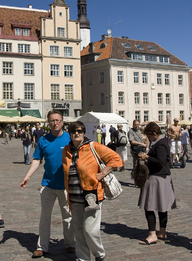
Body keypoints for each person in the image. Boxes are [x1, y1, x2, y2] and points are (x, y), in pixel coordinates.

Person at [62, 121, 121, 261]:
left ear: (84, 133)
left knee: (90, 230)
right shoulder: (66, 150)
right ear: (69, 133)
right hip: (74, 196)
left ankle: (99, 254)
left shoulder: (93, 146)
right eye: (74, 131)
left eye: (80, 131)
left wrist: (102, 173)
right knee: (79, 231)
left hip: (91, 196)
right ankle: (82, 258)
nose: (77, 133)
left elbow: (116, 159)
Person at [20, 110, 75, 258]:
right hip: (48, 184)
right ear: (48, 123)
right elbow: (37, 159)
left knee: (68, 216)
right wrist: (27, 176)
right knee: (45, 216)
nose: (55, 123)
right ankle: (42, 246)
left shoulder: (70, 138)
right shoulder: (43, 140)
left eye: (58, 120)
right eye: (52, 120)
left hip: (66, 185)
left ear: (62, 122)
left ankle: (70, 243)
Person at [137, 122, 176, 245]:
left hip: (157, 178)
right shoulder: (161, 143)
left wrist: (146, 158)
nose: (148, 138)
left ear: (154, 134)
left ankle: (152, 234)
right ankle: (162, 232)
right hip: (162, 178)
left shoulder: (160, 144)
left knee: (149, 206)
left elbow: (160, 162)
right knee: (162, 207)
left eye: (149, 136)